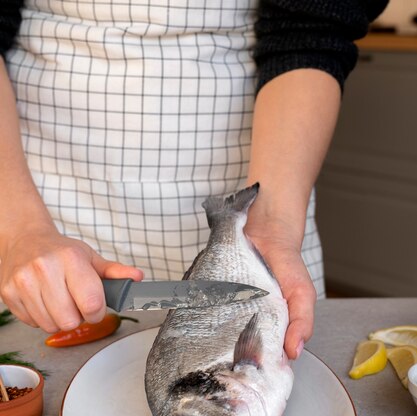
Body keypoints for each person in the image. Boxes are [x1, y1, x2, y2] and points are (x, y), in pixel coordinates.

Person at [0, 0, 388, 359]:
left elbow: (310, 30)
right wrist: (21, 232)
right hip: (38, 198)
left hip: (263, 196)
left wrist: (274, 223)